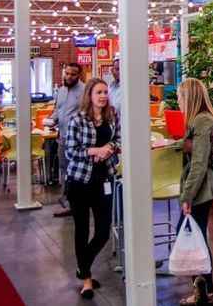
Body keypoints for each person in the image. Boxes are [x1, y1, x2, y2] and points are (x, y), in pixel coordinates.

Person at [177, 78, 213, 306]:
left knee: (192, 235)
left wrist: (186, 196)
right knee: (196, 235)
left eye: (180, 97)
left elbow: (199, 164)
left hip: (205, 185)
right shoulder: (205, 119)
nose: (178, 102)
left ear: (189, 98)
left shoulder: (201, 121)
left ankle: (204, 292)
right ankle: (204, 290)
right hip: (208, 183)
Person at [64, 78, 120, 300]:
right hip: (79, 181)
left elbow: (119, 139)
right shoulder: (77, 120)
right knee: (82, 230)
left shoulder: (112, 115)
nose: (103, 96)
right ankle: (86, 279)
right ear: (90, 95)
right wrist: (95, 151)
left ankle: (82, 266)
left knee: (104, 230)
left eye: (105, 92)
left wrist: (111, 148)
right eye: (99, 92)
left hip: (104, 180)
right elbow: (70, 151)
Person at [47, 63, 85, 217]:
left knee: (74, 171)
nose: (69, 77)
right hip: (62, 137)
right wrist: (52, 120)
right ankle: (67, 199)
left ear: (79, 75)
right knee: (63, 168)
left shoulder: (84, 91)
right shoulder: (61, 91)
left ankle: (74, 204)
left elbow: (86, 114)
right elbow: (58, 110)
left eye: (73, 74)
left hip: (77, 140)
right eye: (67, 73)